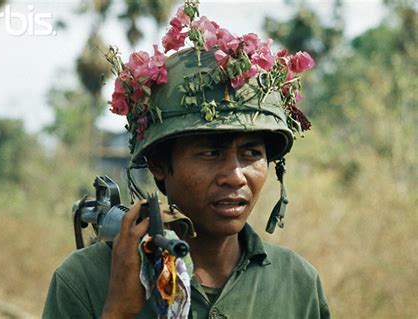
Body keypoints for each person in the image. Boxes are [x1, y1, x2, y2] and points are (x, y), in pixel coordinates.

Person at [43, 2, 329, 318]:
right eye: (210, 153)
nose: (235, 176)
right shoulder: (85, 280)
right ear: (158, 164)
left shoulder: (296, 284)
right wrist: (120, 310)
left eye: (251, 154)